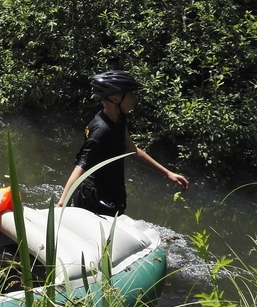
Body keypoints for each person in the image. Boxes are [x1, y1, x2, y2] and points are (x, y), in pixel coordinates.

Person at [56, 71, 189, 216]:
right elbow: (81, 166)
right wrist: (62, 204)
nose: (135, 99)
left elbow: (134, 152)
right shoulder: (102, 131)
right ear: (115, 98)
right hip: (95, 201)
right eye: (131, 95)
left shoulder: (118, 119)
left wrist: (168, 173)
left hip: (112, 196)